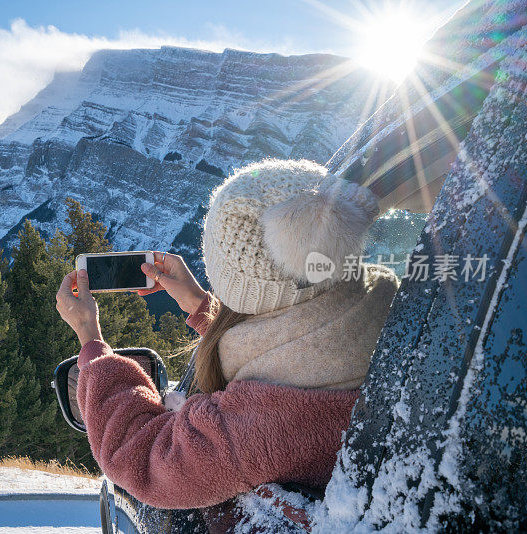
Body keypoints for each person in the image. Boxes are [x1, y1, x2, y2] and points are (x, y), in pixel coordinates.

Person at [56, 159, 399, 510]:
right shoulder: (388, 314)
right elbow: (289, 338)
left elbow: (141, 460)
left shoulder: (261, 424)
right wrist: (200, 305)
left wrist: (89, 337)